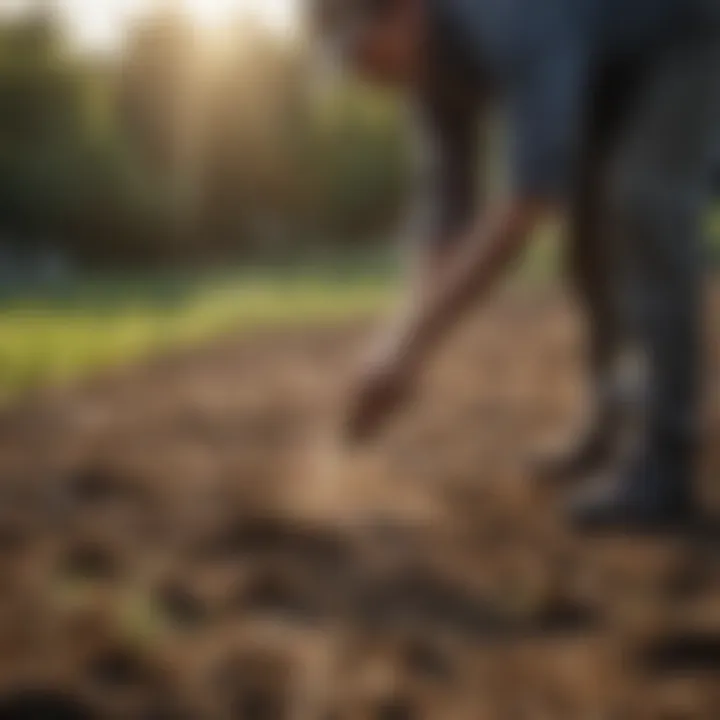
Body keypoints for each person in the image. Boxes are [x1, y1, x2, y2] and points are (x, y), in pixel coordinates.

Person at [311, 0, 720, 530]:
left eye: (363, 56)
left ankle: (666, 456)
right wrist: (395, 351)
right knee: (592, 238)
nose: (364, 78)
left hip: (684, 31)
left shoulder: (508, 17)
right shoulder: (432, 77)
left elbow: (527, 204)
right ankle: (613, 424)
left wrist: (409, 348)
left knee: (644, 200)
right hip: (606, 61)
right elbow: (444, 226)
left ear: (405, 12)